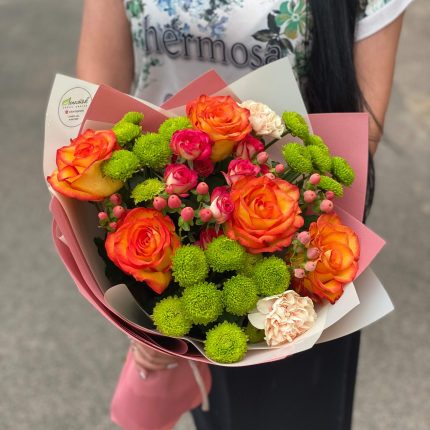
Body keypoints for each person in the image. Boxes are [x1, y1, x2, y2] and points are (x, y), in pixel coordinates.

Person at [77, 0, 412, 428]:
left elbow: (362, 132)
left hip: (293, 252)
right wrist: (135, 285)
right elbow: (99, 91)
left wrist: (279, 237)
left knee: (293, 411)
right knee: (213, 409)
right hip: (166, 223)